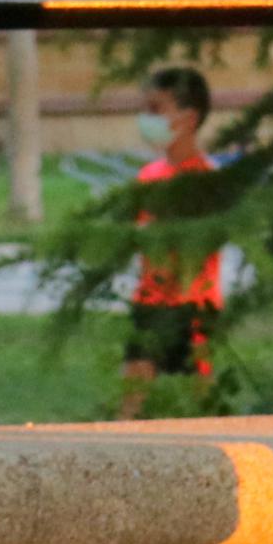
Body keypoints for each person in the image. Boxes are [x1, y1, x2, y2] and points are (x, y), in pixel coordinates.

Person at [117, 64, 236, 416]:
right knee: (129, 406)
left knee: (202, 405)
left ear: (189, 118)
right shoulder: (149, 176)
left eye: (156, 110)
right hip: (150, 306)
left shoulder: (206, 182)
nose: (146, 119)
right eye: (145, 109)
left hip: (194, 309)